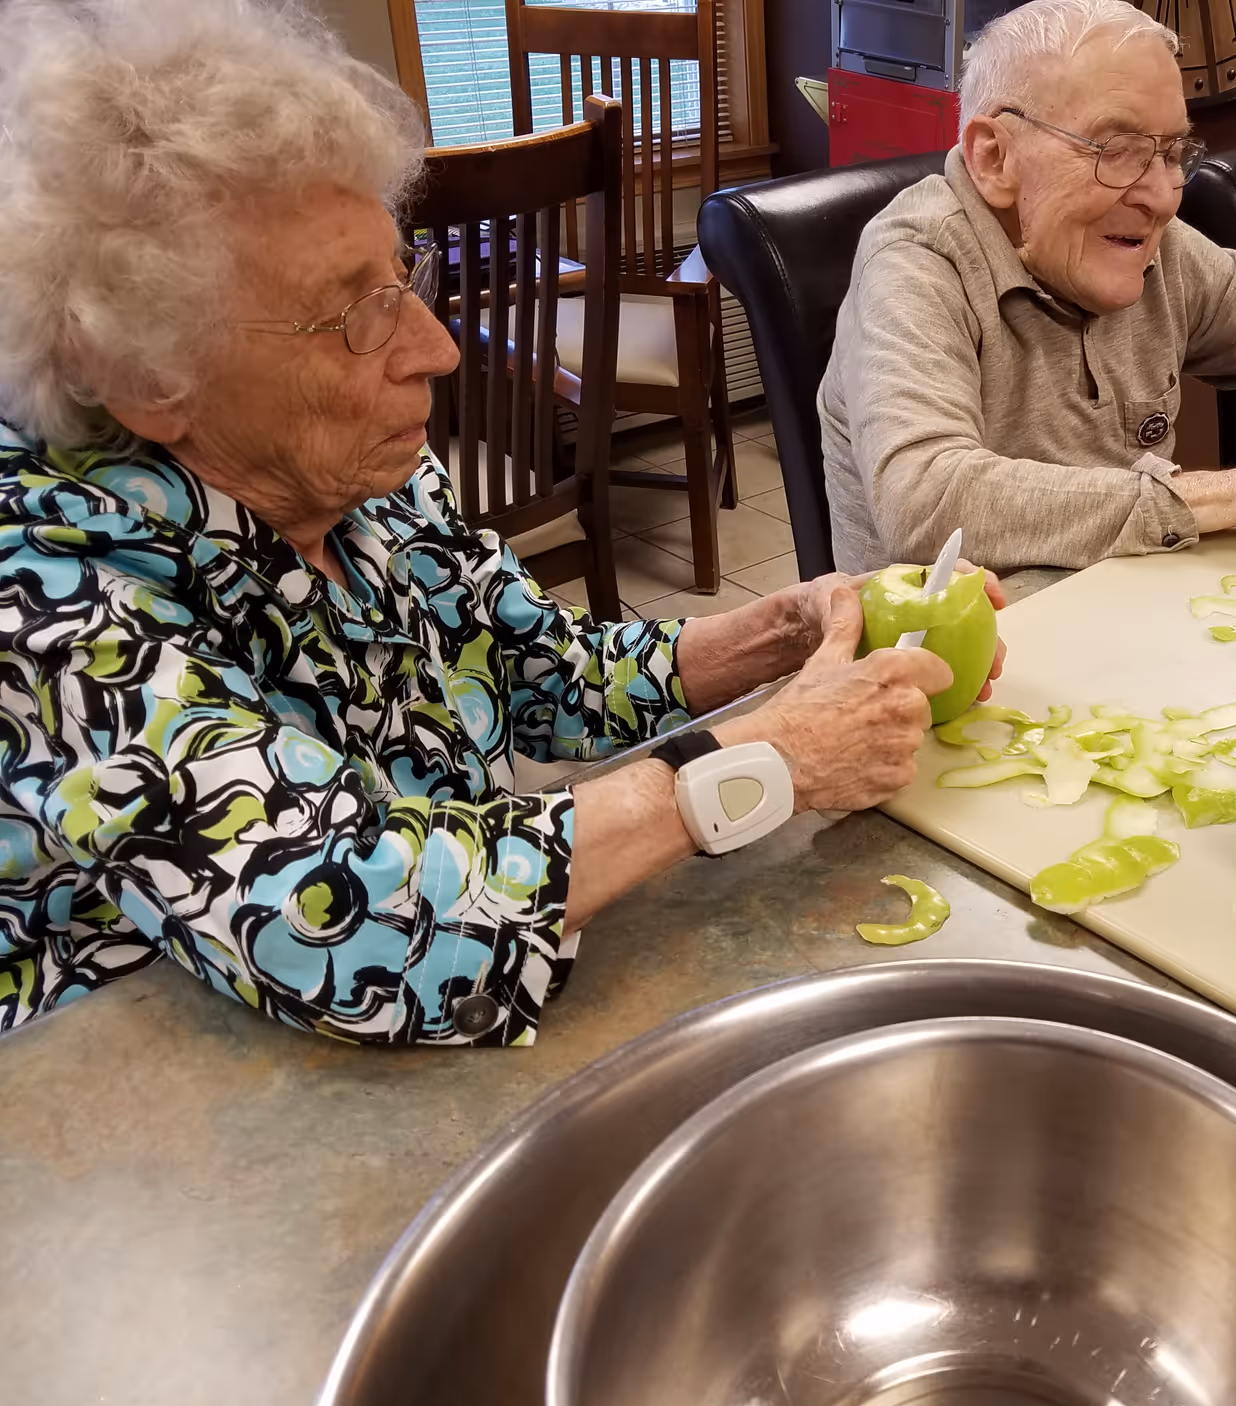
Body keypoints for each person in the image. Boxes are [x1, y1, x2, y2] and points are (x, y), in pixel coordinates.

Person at [0, 0, 1000, 1046]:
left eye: (402, 277)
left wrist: (779, 635)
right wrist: (764, 761)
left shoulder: (350, 469)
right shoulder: (49, 596)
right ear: (148, 377)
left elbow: (539, 670)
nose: (433, 347)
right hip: (138, 1110)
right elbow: (345, 916)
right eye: (353, 315)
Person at [820, 0, 1236, 575]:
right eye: (1115, 150)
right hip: (942, 687)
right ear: (995, 157)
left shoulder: (1158, 253)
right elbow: (928, 502)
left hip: (1132, 633)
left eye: (1172, 152)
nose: (1160, 195)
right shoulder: (912, 260)